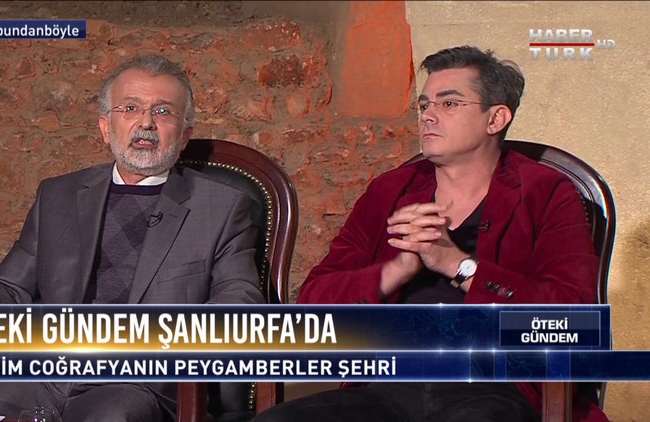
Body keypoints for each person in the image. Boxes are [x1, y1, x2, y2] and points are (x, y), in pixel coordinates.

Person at [254, 46, 608, 421]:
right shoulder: (390, 190)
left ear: (495, 118)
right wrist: (394, 272)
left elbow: (572, 318)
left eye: (449, 104)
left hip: (496, 388)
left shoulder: (545, 192)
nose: (428, 116)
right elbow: (313, 302)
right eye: (424, 105)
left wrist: (459, 266)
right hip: (389, 384)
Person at [0, 54, 264, 422]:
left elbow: (239, 298)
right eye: (130, 108)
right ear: (105, 127)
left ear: (184, 136)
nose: (145, 123)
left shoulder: (222, 207)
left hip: (136, 381)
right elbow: (8, 286)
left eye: (163, 112)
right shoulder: (58, 195)